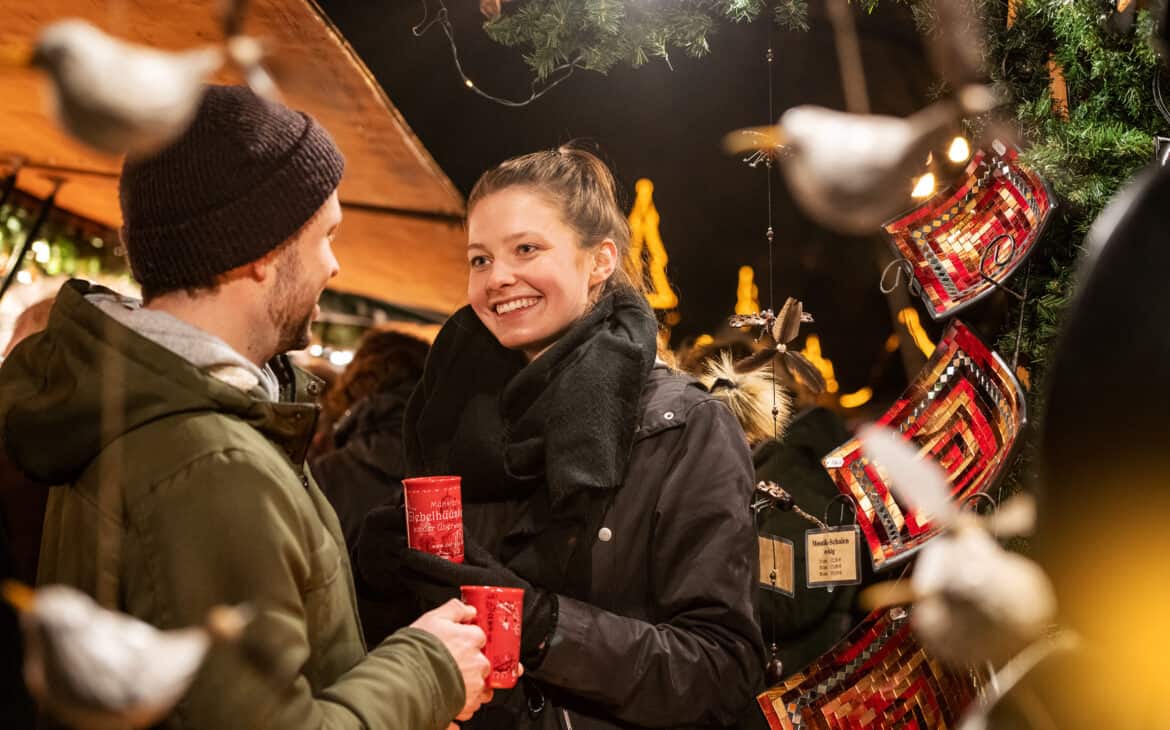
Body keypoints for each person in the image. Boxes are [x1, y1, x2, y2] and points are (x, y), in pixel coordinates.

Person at [0, 85, 490, 730]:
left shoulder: (130, 400)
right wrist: (430, 670)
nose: (334, 265)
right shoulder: (209, 462)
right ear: (263, 250)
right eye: (327, 235)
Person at [355, 145, 764, 729]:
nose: (498, 278)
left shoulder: (685, 426)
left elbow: (719, 671)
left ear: (599, 261)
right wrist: (376, 582)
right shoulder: (447, 413)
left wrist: (543, 626)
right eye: (479, 259)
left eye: (527, 249)